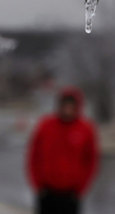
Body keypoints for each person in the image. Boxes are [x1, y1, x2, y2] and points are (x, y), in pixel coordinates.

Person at [27, 86, 99, 214]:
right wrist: (37, 183)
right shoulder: (46, 125)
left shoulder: (85, 129)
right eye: (65, 105)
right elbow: (34, 155)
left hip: (71, 194)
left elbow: (91, 161)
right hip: (47, 192)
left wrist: (80, 188)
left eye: (71, 106)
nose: (68, 110)